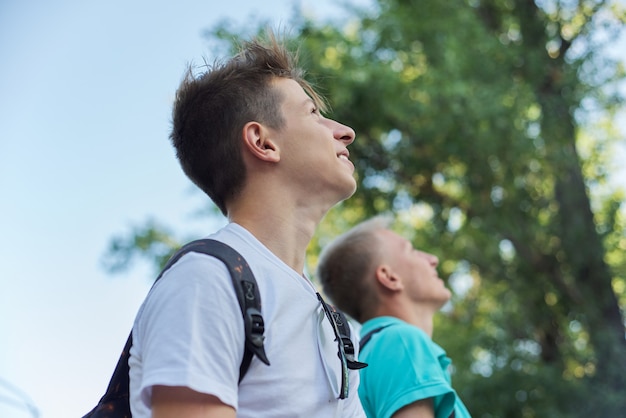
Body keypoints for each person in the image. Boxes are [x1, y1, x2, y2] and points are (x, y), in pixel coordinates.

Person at [128, 30, 365, 418]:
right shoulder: (206, 279)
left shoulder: (334, 326)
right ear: (263, 142)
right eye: (313, 114)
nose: (344, 131)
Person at [317, 217, 472, 418]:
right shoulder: (402, 342)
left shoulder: (368, 355)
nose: (433, 259)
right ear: (390, 277)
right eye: (412, 250)